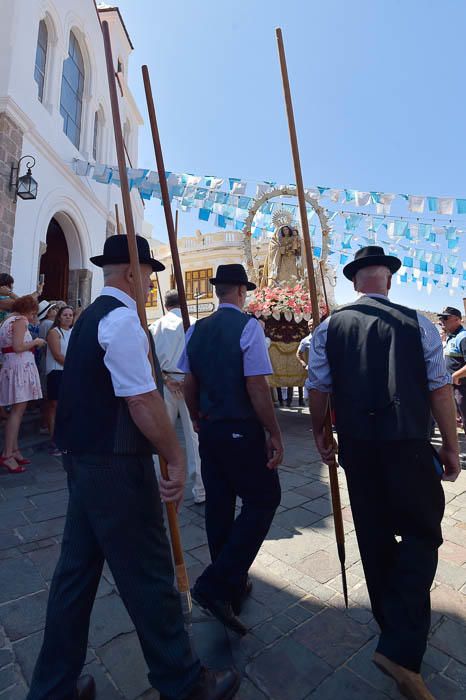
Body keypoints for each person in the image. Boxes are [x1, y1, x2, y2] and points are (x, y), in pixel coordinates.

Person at [26, 235, 239, 700]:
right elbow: (142, 401)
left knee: (74, 579)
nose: (149, 283)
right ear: (129, 273)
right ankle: (183, 682)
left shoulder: (87, 320)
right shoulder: (121, 320)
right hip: (117, 467)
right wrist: (177, 457)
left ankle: (53, 688)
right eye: (146, 274)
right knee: (150, 575)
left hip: (85, 465)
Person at [307, 246, 460, 700]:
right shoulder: (420, 325)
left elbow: (318, 387)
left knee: (373, 535)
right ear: (388, 280)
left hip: (358, 446)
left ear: (357, 283)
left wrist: (319, 433)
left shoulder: (329, 327)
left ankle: (391, 627)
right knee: (422, 533)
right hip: (407, 444)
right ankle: (398, 643)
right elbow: (439, 388)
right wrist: (451, 445)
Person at [179, 264, 283, 634]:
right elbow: (257, 384)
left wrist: (194, 415)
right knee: (265, 498)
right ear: (241, 291)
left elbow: (188, 382)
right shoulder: (248, 327)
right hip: (240, 427)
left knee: (219, 505)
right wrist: (273, 430)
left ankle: (229, 583)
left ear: (218, 290)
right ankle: (218, 582)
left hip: (210, 429)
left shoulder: (197, 329)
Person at [151, 290, 205, 503]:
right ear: (184, 304)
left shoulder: (156, 326)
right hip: (191, 381)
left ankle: (159, 484)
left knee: (161, 434)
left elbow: (150, 358)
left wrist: (166, 379)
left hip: (166, 382)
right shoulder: (196, 323)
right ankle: (201, 489)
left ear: (166, 305)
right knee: (195, 437)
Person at [0, 295, 46, 473]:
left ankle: (15, 449)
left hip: (13, 366)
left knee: (18, 411)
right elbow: (19, 347)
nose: (33, 317)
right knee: (17, 413)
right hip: (19, 367)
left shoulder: (7, 320)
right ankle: (8, 454)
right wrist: (35, 341)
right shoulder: (20, 320)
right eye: (33, 313)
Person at [45, 305, 74, 453]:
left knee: (67, 406)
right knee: (54, 406)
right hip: (57, 372)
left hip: (69, 372)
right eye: (65, 315)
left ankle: (66, 438)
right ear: (59, 317)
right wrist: (74, 366)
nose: (68, 317)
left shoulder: (74, 332)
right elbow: (57, 354)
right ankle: (54, 440)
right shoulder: (54, 332)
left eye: (70, 315)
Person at [438, 306, 466, 440]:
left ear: (457, 320)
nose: (442, 321)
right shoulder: (451, 337)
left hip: (463, 387)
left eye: (445, 318)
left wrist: (455, 376)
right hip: (455, 387)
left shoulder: (463, 337)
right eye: (441, 318)